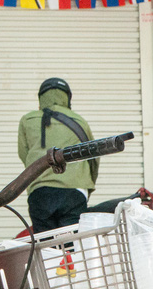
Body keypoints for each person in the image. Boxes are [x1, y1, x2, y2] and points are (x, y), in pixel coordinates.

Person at [18, 78, 98, 233]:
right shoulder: (79, 121)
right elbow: (93, 158)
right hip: (74, 191)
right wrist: (87, 184)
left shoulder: (28, 120)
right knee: (73, 247)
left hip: (40, 191)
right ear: (67, 98)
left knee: (46, 248)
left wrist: (40, 176)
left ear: (41, 98)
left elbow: (25, 155)